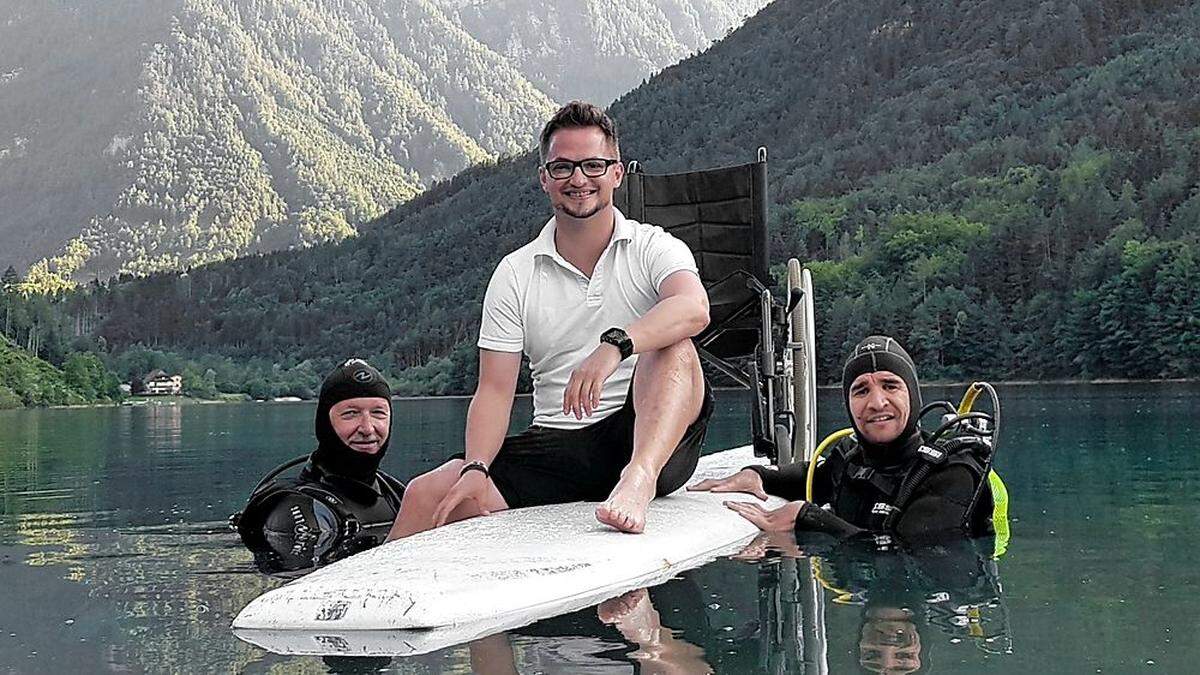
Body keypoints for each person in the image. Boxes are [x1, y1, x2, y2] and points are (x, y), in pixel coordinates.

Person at [386, 100, 712, 538]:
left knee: (673, 346)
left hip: (648, 438)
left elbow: (693, 308)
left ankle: (636, 480)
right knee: (429, 494)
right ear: (545, 179)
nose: (578, 179)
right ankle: (356, 598)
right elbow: (495, 390)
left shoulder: (655, 248)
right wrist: (478, 466)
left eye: (593, 165)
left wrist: (615, 346)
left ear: (617, 174)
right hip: (558, 445)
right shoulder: (515, 272)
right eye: (563, 168)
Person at [691, 336, 995, 541]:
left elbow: (908, 556)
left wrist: (808, 518)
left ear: (913, 395)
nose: (877, 403)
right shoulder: (850, 460)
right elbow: (816, 476)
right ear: (848, 405)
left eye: (890, 385)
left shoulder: (952, 473)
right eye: (861, 390)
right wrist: (759, 476)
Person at [233, 359, 404, 574]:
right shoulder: (300, 506)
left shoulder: (396, 494)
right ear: (324, 424)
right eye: (350, 413)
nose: (368, 428)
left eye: (378, 412)